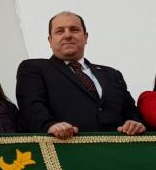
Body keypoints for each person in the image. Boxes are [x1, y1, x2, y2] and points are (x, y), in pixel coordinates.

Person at [16, 11, 145, 139]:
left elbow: (131, 111)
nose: (67, 35)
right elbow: (31, 105)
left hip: (117, 148)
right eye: (60, 31)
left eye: (74, 30)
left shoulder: (112, 74)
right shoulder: (34, 69)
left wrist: (135, 123)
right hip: (66, 147)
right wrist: (49, 126)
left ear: (85, 37)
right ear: (50, 40)